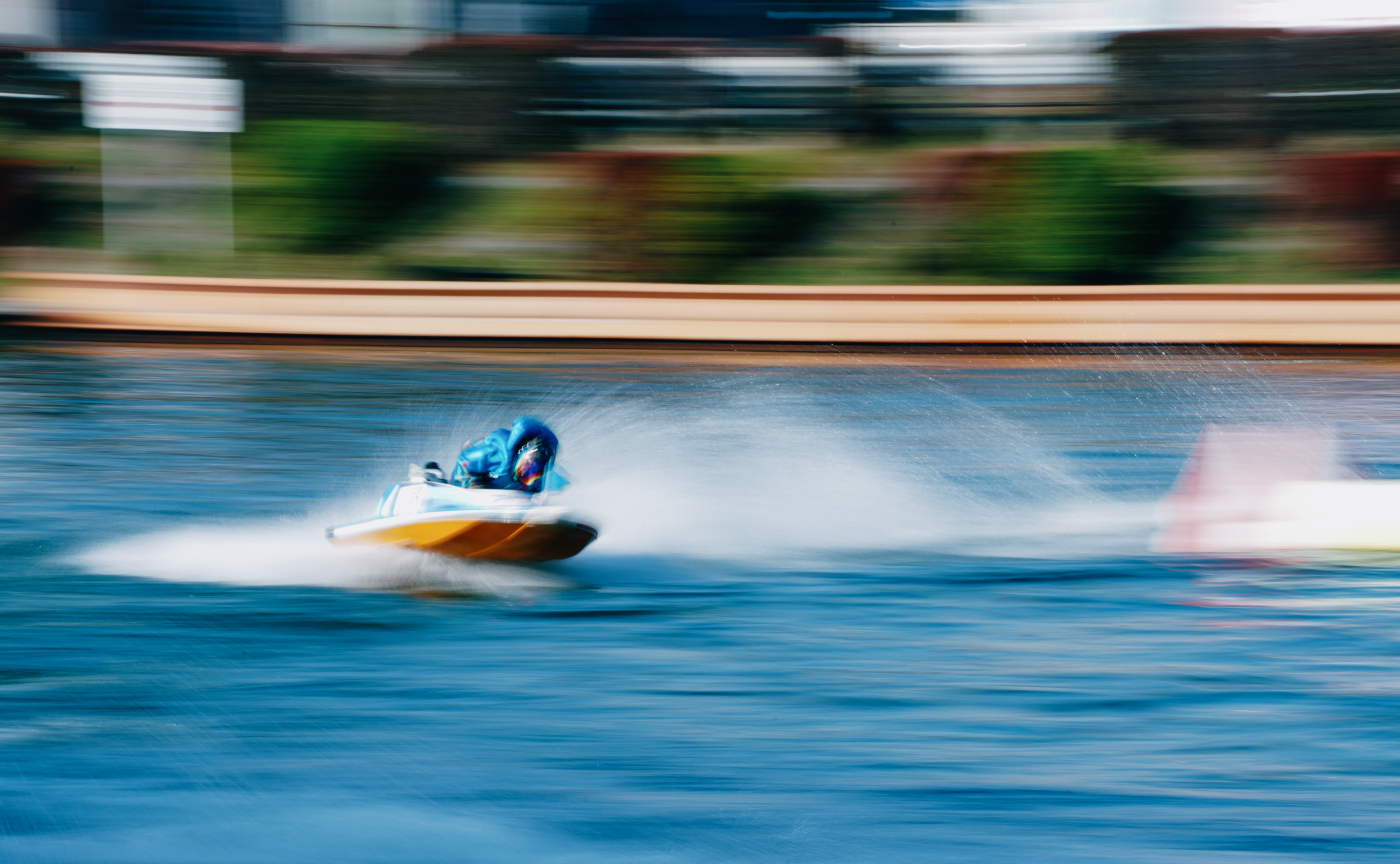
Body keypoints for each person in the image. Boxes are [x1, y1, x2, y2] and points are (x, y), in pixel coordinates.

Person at [451, 416, 559, 493]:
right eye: (527, 464)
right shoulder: (499, 452)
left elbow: (535, 493)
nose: (526, 471)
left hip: (499, 496)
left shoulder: (537, 475)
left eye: (532, 473)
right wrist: (470, 490)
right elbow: (463, 461)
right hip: (470, 473)